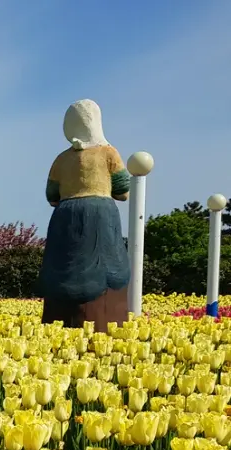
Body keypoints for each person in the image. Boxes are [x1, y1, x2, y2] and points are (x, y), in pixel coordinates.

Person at [38, 99, 131, 333]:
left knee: (61, 269)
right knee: (108, 268)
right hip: (100, 215)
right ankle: (104, 326)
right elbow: (122, 191)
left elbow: (51, 195)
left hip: (65, 217)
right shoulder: (108, 152)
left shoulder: (61, 159)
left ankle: (58, 326)